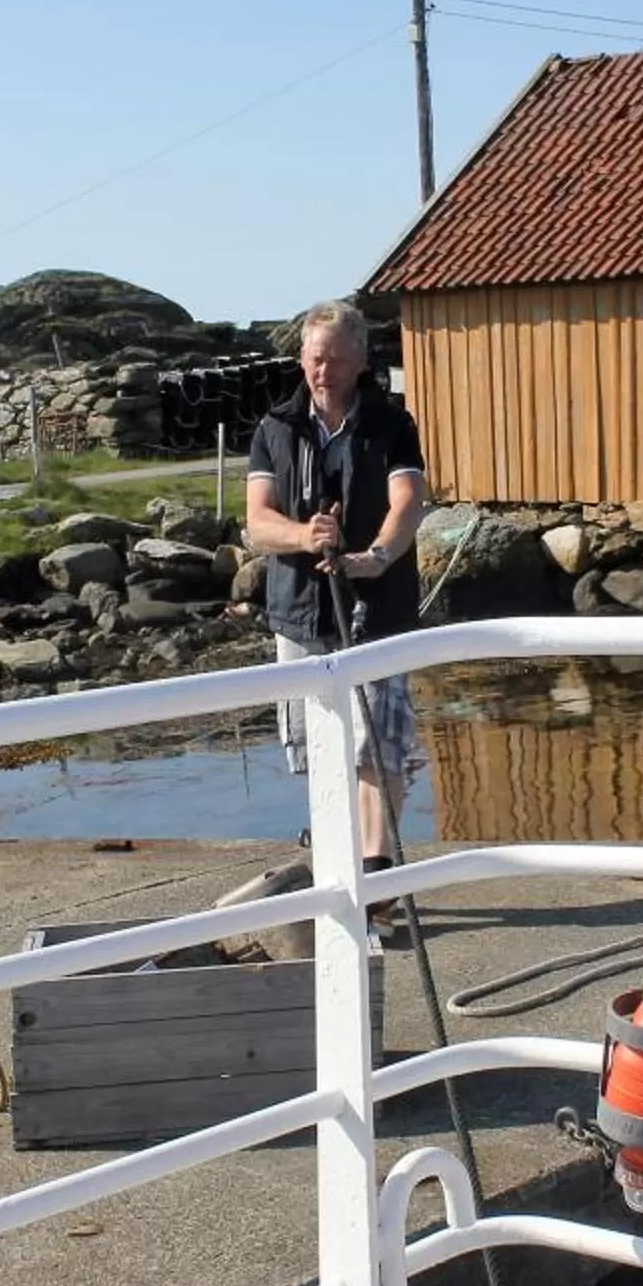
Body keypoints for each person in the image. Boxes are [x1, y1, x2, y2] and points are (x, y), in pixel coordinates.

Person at [243, 301, 430, 914]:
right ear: (301, 358)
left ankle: (375, 874)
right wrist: (306, 537)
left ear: (360, 361)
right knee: (319, 744)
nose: (323, 372)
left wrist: (376, 555)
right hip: (300, 608)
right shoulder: (276, 428)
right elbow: (258, 522)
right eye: (315, 359)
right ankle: (337, 867)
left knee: (381, 738)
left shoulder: (390, 423)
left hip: (377, 605)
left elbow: (408, 501)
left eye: (336, 361)